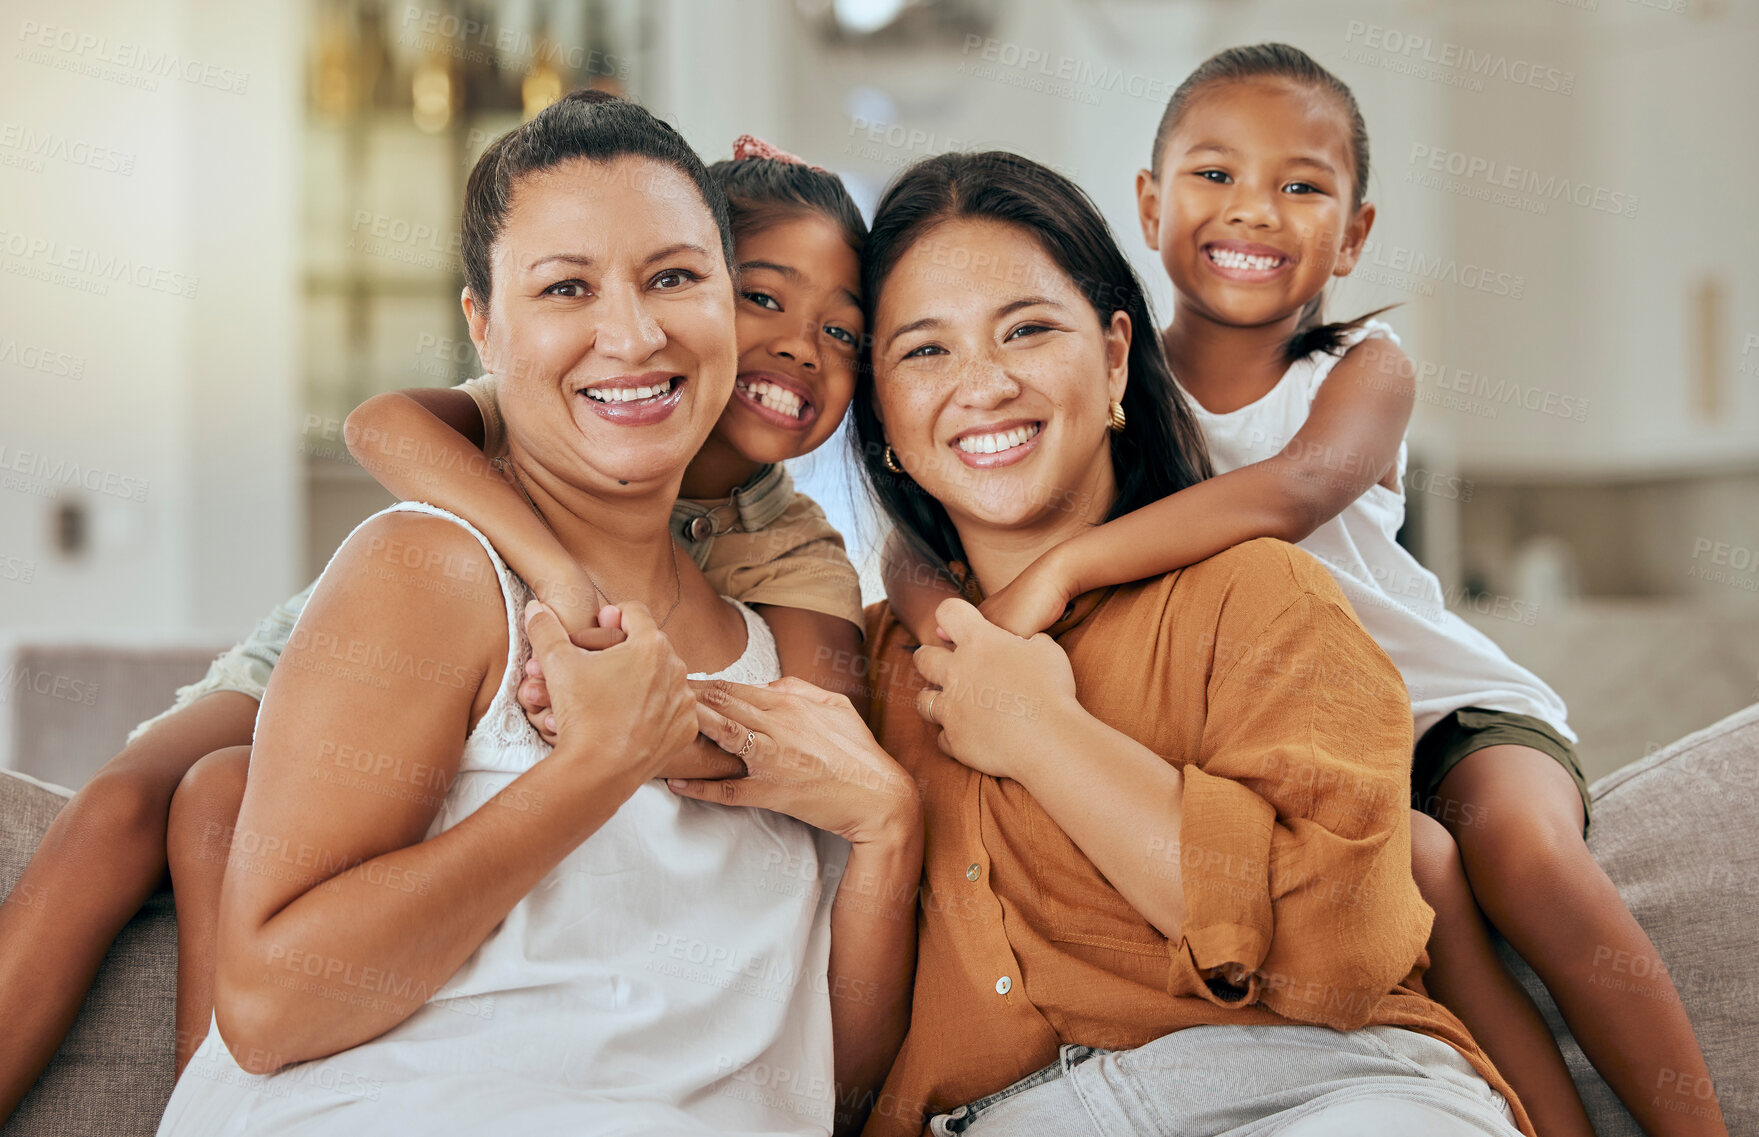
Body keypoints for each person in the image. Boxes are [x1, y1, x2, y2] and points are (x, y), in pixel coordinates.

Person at [880, 44, 1725, 1137]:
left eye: (1303, 186)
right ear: (1148, 203)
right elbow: (913, 543)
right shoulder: (1114, 394)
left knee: (1514, 853)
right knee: (1420, 872)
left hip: (1439, 710)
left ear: (1356, 232)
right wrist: (955, 635)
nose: (1255, 211)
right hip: (1285, 740)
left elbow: (1294, 491)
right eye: (1214, 175)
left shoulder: (1357, 367)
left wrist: (1063, 572)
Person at [0, 130, 878, 1111]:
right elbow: (380, 427)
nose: (798, 344)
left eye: (843, 330)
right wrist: (565, 592)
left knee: (221, 799)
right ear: (484, 326)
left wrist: (666, 719)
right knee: (144, 804)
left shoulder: (786, 546)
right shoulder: (487, 470)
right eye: (766, 296)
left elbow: (819, 750)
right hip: (338, 641)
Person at [778, 147, 1531, 1136]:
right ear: (882, 413)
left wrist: (1043, 732)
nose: (984, 383)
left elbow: (1338, 950)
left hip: (1323, 1088)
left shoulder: (1258, 594)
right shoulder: (854, 668)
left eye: (1029, 330)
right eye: (924, 351)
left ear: (1114, 356)